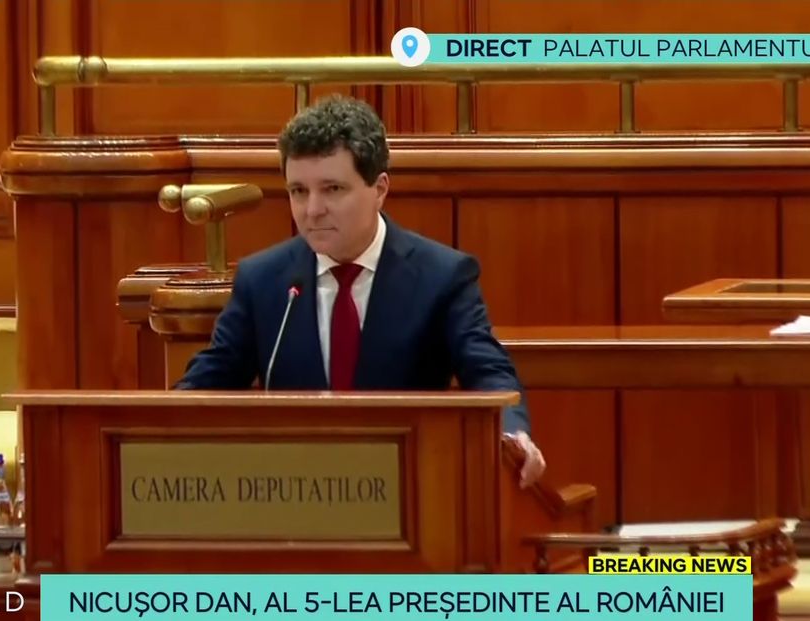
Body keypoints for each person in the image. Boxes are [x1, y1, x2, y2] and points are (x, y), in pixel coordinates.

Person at [175, 94, 545, 487]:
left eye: (332, 189)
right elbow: (209, 381)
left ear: (379, 188)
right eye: (298, 191)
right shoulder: (263, 279)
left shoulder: (441, 276)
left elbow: (487, 371)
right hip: (292, 490)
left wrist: (512, 433)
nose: (312, 209)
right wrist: (162, 424)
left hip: (407, 486)